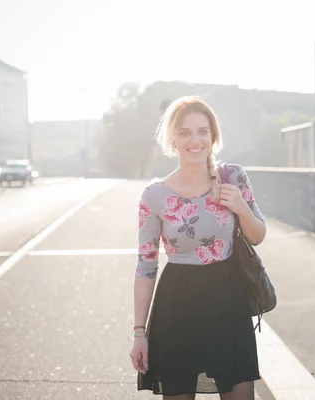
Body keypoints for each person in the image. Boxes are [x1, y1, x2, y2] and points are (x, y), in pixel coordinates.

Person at [130, 95, 267, 400]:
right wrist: (139, 333)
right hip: (177, 303)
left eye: (203, 131)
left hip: (229, 299)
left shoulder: (233, 176)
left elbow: (257, 236)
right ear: (173, 141)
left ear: (213, 136)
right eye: (185, 132)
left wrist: (241, 208)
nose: (195, 140)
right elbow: (145, 265)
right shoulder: (155, 196)